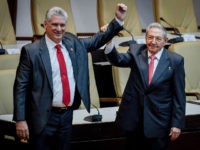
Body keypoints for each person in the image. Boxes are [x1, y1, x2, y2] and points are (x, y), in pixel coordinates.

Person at [13, 4, 127, 150]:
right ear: (45, 24)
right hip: (42, 117)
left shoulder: (72, 42)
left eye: (62, 25)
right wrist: (20, 119)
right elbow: (20, 86)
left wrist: (117, 20)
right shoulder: (31, 51)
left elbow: (96, 40)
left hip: (66, 116)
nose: (59, 29)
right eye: (54, 24)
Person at [104, 22, 186, 150]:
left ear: (165, 41)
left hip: (159, 122)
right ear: (146, 37)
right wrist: (108, 41)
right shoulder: (136, 51)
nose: (153, 42)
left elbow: (179, 95)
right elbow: (117, 60)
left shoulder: (175, 61)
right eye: (150, 37)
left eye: (158, 39)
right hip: (134, 121)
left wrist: (177, 123)